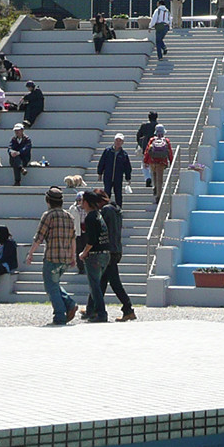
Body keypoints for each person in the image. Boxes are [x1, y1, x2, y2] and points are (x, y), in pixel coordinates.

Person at [26, 187, 79, 324]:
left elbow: (39, 237)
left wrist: (30, 253)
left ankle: (60, 315)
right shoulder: (69, 216)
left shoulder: (48, 216)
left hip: (52, 257)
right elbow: (73, 238)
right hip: (66, 259)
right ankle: (69, 304)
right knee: (54, 284)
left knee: (50, 286)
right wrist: (73, 257)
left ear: (47, 201)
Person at [97, 193, 136, 321]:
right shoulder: (116, 210)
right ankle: (94, 308)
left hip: (109, 250)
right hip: (116, 249)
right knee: (102, 281)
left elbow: (103, 229)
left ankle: (128, 308)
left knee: (113, 283)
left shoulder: (106, 211)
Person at [78, 189, 112, 322]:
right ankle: (91, 310)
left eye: (82, 201)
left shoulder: (90, 217)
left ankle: (101, 313)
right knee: (96, 283)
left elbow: (91, 240)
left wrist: (84, 252)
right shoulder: (99, 215)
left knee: (95, 286)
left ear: (86, 202)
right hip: (105, 253)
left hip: (95, 255)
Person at [97, 133, 133, 209]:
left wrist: (128, 177)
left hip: (118, 177)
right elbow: (102, 162)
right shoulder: (107, 151)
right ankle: (105, 208)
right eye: (117, 140)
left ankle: (118, 209)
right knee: (107, 193)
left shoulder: (124, 154)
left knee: (118, 194)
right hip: (108, 176)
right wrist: (100, 173)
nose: (118, 142)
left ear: (122, 142)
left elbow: (127, 167)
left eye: (120, 141)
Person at [143, 124, 173, 200]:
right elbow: (170, 152)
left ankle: (155, 187)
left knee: (154, 175)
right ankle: (159, 196)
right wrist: (171, 161)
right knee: (160, 179)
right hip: (161, 162)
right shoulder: (166, 140)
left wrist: (145, 161)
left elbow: (147, 151)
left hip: (152, 161)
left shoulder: (152, 140)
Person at [136, 111, 159, 188]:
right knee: (155, 165)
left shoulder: (144, 126)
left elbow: (138, 136)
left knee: (145, 165)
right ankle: (155, 181)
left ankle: (148, 178)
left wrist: (141, 144)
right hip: (157, 149)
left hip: (146, 147)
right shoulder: (158, 126)